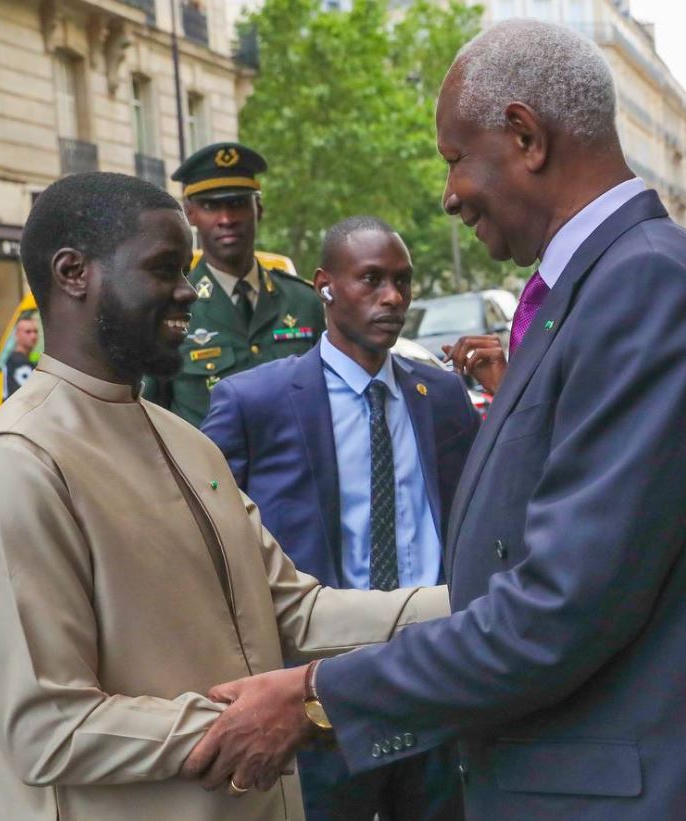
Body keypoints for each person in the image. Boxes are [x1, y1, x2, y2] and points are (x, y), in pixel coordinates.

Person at [181, 20, 686, 820]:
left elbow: (558, 607)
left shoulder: (644, 289)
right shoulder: (602, 287)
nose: (447, 194)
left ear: (525, 136)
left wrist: (313, 695)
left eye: (453, 159)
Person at [0, 172, 449, 821]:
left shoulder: (186, 443)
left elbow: (298, 615)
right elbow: (48, 728)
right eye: (163, 269)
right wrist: (277, 714)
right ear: (73, 273)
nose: (187, 290)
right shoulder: (14, 467)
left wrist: (481, 600)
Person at [202, 217, 478, 821]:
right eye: (372, 280)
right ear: (325, 286)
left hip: (432, 677)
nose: (393, 298)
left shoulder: (443, 397)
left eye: (401, 282)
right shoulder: (256, 403)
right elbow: (205, 534)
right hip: (318, 689)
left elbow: (482, 518)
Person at [143, 142, 326, 427]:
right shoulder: (168, 307)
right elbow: (150, 414)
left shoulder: (304, 302)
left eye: (238, 204)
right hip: (211, 470)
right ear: (190, 214)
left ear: (259, 209)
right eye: (210, 206)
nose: (226, 219)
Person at [2, 314, 39, 399]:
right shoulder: (19, 362)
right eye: (28, 332)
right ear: (17, 335)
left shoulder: (12, 359)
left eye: (35, 331)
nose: (33, 336)